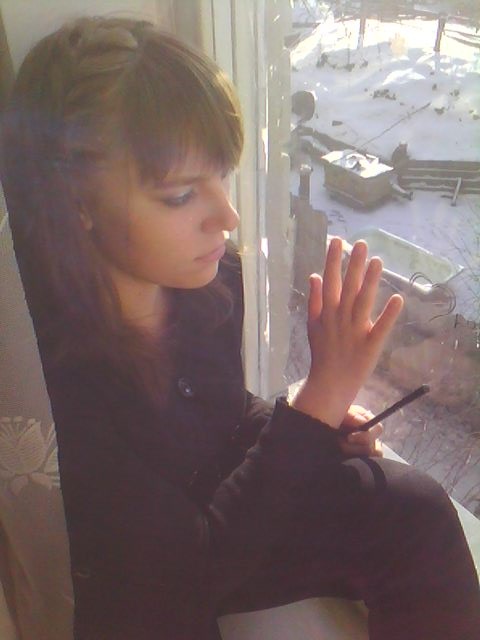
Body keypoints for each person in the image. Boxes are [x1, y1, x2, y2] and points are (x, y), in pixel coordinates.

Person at [1, 16, 479, 640]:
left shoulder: (209, 282)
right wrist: (315, 405)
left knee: (414, 508)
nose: (226, 215)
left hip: (220, 515)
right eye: (180, 196)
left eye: (222, 175)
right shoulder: (50, 377)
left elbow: (220, 414)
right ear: (77, 204)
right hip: (157, 577)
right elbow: (185, 578)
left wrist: (313, 424)